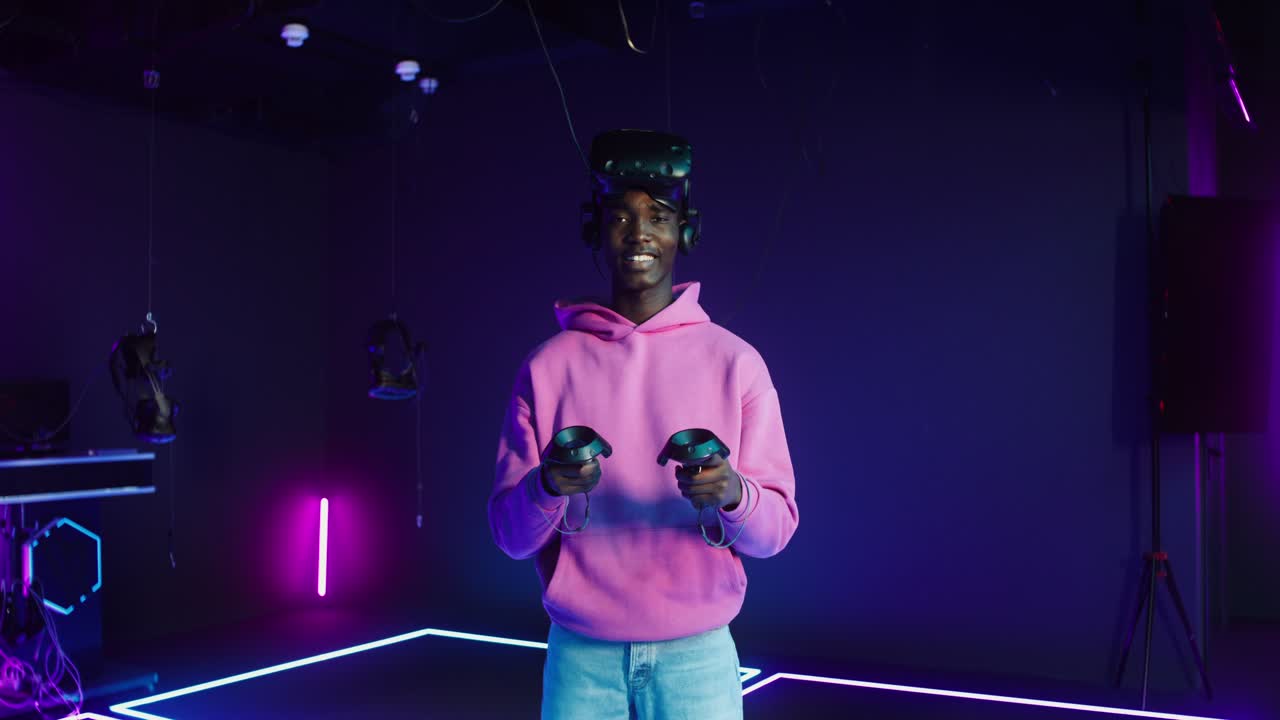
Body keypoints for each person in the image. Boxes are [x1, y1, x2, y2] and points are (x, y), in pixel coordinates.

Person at [489, 129, 798, 720]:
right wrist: (547, 486)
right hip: (581, 655)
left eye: (658, 216)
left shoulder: (737, 363)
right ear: (595, 229)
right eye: (620, 217)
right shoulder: (547, 367)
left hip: (698, 659)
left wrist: (734, 494)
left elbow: (776, 532)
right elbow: (510, 536)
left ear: (685, 231)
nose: (639, 234)